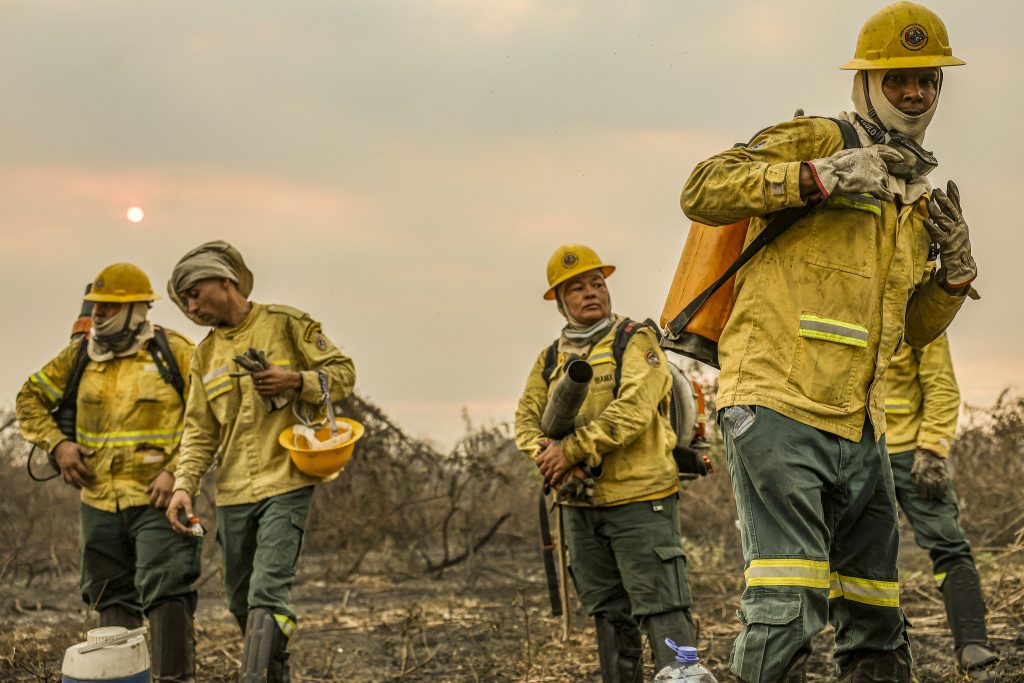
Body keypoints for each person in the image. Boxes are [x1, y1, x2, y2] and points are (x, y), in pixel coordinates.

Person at [680, 2, 977, 681]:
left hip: (859, 424)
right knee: (787, 602)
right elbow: (703, 188)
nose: (913, 92)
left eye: (926, 79)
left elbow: (907, 333)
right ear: (867, 80)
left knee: (876, 608)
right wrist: (820, 174)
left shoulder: (912, 190)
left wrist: (953, 279)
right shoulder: (819, 135)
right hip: (778, 403)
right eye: (897, 77)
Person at [164, 241, 355, 683]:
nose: (190, 307)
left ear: (224, 280)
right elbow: (198, 430)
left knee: (267, 593)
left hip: (286, 480)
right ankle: (275, 671)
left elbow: (343, 373)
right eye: (183, 303)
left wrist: (297, 380)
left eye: (194, 293)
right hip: (232, 493)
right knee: (240, 602)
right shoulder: (205, 356)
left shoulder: (287, 324)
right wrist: (182, 486)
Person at [515, 244, 701, 683]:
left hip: (641, 500)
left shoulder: (635, 339)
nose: (591, 292)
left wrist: (573, 451)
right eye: (577, 288)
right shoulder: (549, 360)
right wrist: (549, 456)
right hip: (581, 508)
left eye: (597, 283)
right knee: (608, 614)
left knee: (664, 608)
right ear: (560, 301)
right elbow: (525, 422)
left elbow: (635, 409)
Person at [16, 264, 200, 683]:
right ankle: (121, 678)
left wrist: (177, 472)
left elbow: (208, 418)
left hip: (160, 499)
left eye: (111, 307)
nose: (98, 314)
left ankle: (175, 679)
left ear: (138, 309)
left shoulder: (176, 352)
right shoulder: (79, 355)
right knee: (108, 592)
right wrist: (58, 444)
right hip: (99, 500)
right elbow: (29, 397)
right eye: (97, 306)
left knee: (167, 588)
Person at [884, 332, 999, 677]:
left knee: (948, 543)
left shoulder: (918, 306)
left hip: (913, 453)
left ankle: (973, 644)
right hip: (859, 450)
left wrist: (932, 450)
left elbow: (942, 387)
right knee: (862, 558)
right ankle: (875, 657)